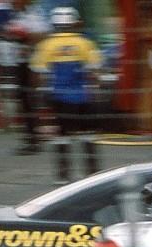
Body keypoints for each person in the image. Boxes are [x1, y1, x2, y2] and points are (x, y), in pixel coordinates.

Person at [30, 6, 102, 184]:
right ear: (74, 23)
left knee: (62, 136)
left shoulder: (46, 45)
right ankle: (92, 173)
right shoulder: (85, 43)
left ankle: (63, 176)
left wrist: (41, 97)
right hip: (83, 97)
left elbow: (38, 72)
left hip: (59, 97)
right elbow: (95, 70)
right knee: (88, 135)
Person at [3, 0, 49, 155]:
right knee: (22, 100)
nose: (12, 3)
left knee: (30, 99)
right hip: (19, 61)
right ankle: (29, 137)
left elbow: (43, 35)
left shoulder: (34, 14)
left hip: (32, 62)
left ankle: (34, 139)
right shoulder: (16, 15)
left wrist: (25, 36)